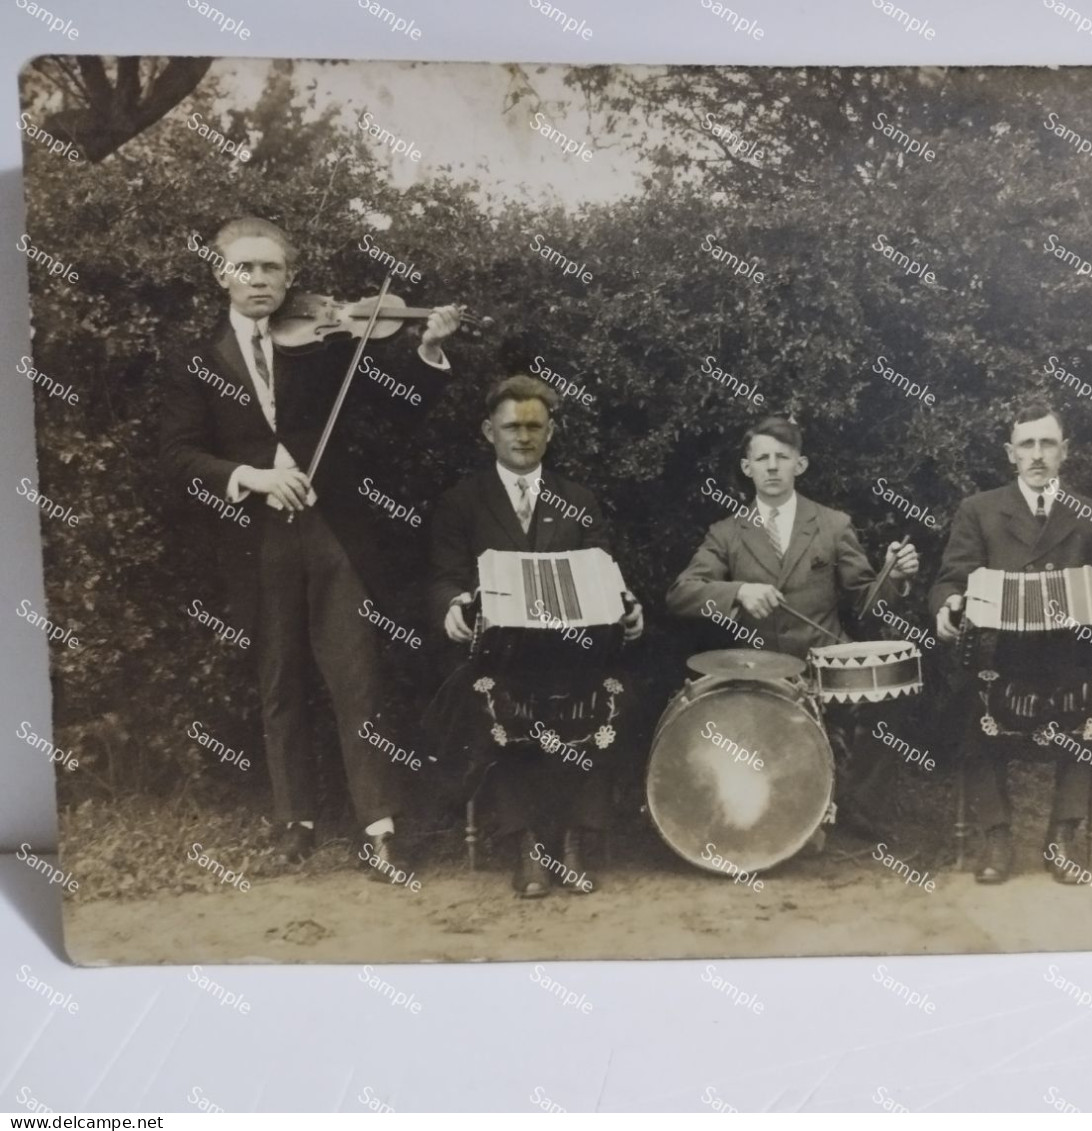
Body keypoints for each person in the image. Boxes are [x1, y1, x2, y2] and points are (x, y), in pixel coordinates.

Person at [159, 216, 461, 878]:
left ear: (291, 277)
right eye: (246, 267)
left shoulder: (325, 346)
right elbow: (179, 456)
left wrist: (429, 351)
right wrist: (253, 478)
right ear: (221, 275)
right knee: (278, 682)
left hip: (334, 535)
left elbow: (400, 406)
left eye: (271, 268)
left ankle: (379, 827)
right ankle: (293, 821)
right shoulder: (198, 361)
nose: (259, 278)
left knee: (358, 679)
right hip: (254, 538)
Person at [427, 375, 643, 898]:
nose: (522, 437)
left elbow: (602, 567)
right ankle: (529, 847)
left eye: (533, 426)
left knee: (607, 696)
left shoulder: (578, 498)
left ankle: (573, 841)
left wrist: (628, 606)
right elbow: (442, 576)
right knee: (499, 701)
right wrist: (452, 605)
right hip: (499, 655)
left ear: (550, 432)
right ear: (488, 431)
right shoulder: (463, 501)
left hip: (572, 653)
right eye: (510, 427)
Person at [666, 415, 919, 836]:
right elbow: (681, 594)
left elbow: (866, 603)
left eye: (781, 457)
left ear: (799, 465)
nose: (771, 466)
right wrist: (739, 591)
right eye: (761, 458)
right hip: (759, 673)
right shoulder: (727, 533)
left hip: (826, 669)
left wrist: (893, 576)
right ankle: (789, 815)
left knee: (887, 701)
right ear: (747, 468)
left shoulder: (832, 524)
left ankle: (858, 808)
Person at [931, 402, 1092, 884]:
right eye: (1027, 444)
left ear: (1065, 451)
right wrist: (947, 609)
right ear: (1010, 453)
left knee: (1090, 704)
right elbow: (950, 579)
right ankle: (996, 833)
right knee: (973, 698)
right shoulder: (979, 510)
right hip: (1000, 655)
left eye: (1047, 444)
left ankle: (1062, 835)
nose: (1037, 455)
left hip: (1071, 655)